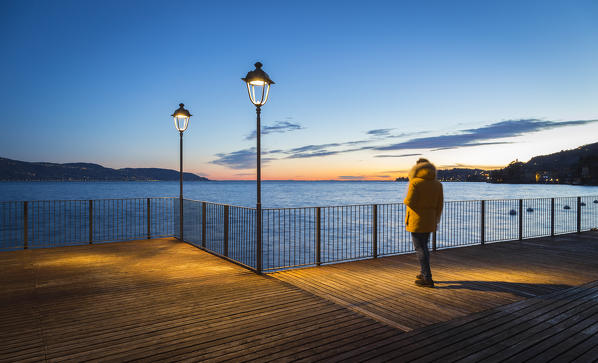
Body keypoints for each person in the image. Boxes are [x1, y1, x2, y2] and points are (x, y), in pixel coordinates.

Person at [404, 158, 443, 288]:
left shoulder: (415, 183)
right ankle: (423, 273)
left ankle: (427, 277)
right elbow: (440, 204)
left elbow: (409, 201)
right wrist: (436, 218)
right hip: (430, 219)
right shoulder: (437, 184)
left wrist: (406, 200)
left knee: (420, 249)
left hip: (417, 220)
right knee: (424, 247)